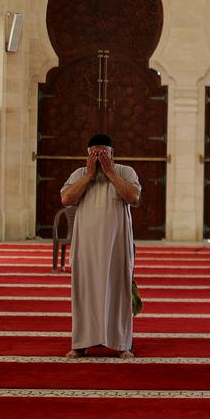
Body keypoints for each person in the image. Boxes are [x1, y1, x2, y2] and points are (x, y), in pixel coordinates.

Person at [60, 134, 141, 359]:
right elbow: (67, 199)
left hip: (117, 247)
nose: (98, 158)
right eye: (93, 154)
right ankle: (82, 342)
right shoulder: (79, 174)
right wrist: (89, 175)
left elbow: (133, 197)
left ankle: (122, 343)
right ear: (87, 155)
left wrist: (111, 173)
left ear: (112, 153)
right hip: (86, 247)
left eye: (102, 154)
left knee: (118, 291)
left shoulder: (126, 172)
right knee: (84, 291)